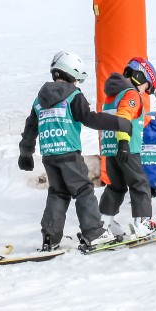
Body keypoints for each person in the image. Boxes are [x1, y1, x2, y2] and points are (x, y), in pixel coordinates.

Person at [18, 51, 133, 251]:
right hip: (69, 154)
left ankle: (50, 238)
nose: (78, 84)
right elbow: (90, 118)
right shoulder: (73, 95)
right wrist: (118, 122)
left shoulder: (38, 102)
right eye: (78, 79)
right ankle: (94, 233)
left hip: (49, 157)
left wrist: (25, 153)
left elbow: (30, 129)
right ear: (71, 74)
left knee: (58, 193)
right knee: (83, 190)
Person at [99, 57, 156, 238]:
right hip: (127, 148)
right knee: (139, 183)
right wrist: (124, 142)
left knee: (116, 186)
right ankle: (142, 222)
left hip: (110, 150)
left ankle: (105, 222)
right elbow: (124, 115)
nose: (145, 92)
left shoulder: (111, 96)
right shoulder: (131, 94)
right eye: (146, 87)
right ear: (139, 77)